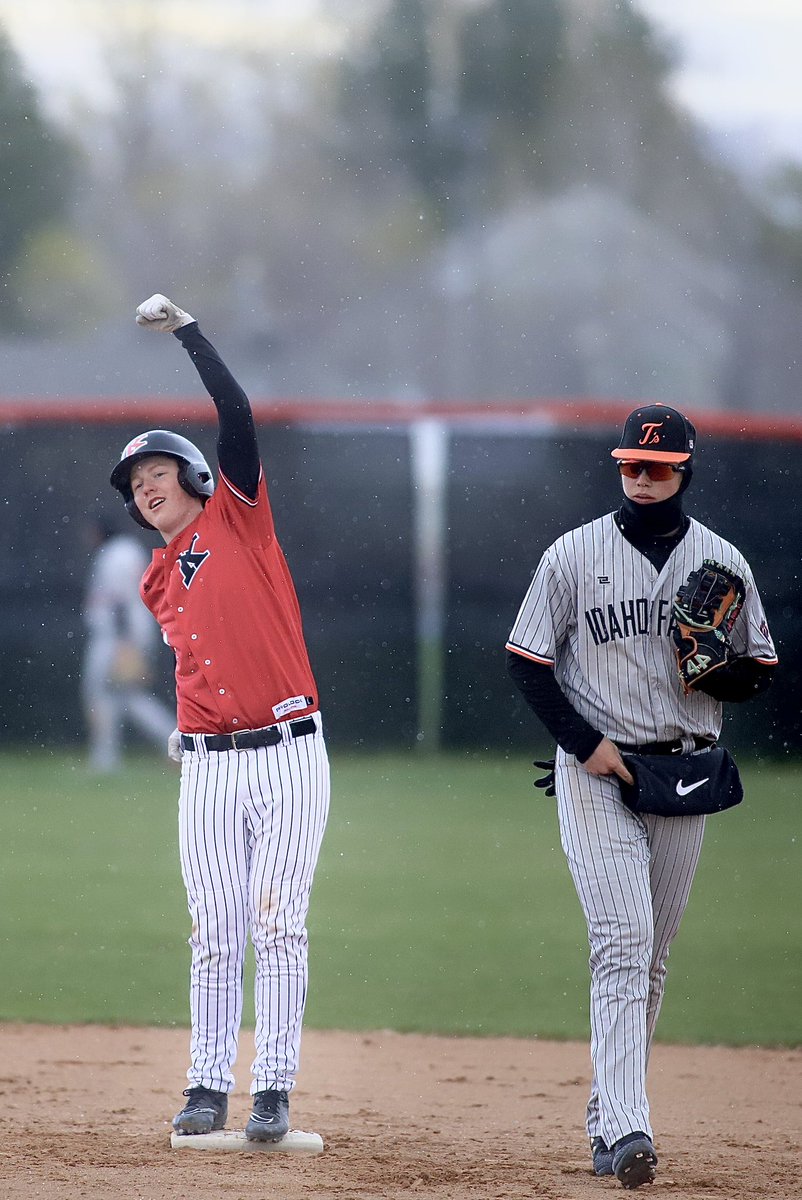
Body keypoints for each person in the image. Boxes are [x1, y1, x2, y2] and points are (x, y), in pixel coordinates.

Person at [505, 404, 777, 1188]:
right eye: (631, 465)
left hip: (683, 769)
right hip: (596, 770)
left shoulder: (722, 560)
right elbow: (528, 661)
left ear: (685, 468)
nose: (643, 477)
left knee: (652, 960)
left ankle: (606, 1114)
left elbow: (759, 670)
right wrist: (584, 746)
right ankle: (629, 1128)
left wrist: (717, 667)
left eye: (657, 467)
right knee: (621, 942)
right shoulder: (572, 555)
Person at [110, 293, 330, 1142]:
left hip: (288, 753)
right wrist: (186, 726)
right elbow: (200, 661)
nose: (146, 488)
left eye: (157, 472)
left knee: (279, 922)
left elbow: (235, 411)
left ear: (194, 477)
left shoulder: (242, 516)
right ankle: (206, 1087)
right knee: (215, 929)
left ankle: (271, 1091)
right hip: (208, 762)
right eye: (136, 486)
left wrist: (189, 335)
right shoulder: (156, 578)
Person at [81, 515, 175, 772]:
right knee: (129, 698)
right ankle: (174, 742)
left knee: (100, 695)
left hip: (116, 637)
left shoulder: (114, 554)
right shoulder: (129, 550)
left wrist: (123, 642)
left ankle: (105, 758)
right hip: (131, 633)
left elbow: (118, 600)